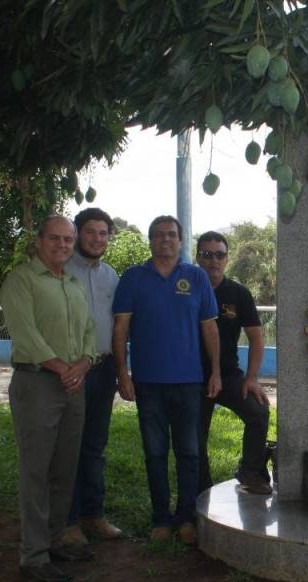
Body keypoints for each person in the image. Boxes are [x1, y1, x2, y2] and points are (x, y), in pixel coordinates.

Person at [112, 215, 221, 545]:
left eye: (172, 235)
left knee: (189, 453)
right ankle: (160, 519)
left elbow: (210, 328)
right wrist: (122, 373)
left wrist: (215, 372)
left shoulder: (196, 277)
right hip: (148, 383)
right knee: (155, 452)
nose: (166, 240)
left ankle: (186, 518)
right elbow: (120, 329)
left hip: (189, 382)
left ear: (181, 240)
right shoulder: (133, 278)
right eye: (159, 235)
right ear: (150, 241)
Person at [1, 215, 95, 582]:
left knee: (64, 468)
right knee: (36, 470)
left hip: (73, 385)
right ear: (39, 241)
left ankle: (55, 541)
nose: (62, 245)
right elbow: (25, 334)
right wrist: (61, 367)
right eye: (55, 238)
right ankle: (34, 555)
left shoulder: (72, 283)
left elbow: (89, 331)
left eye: (68, 240)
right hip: (38, 383)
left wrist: (83, 364)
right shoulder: (21, 280)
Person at [61, 208, 123, 548]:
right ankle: (68, 521)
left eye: (103, 233)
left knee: (95, 445)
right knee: (69, 444)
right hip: (70, 370)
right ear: (77, 233)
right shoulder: (60, 270)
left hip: (104, 369)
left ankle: (93, 515)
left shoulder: (111, 276)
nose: (97, 239)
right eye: (90, 232)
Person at [195, 231, 271, 495]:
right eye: (207, 254)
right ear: (198, 257)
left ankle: (249, 471)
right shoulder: (187, 290)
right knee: (196, 437)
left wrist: (251, 378)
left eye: (220, 255)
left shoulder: (238, 293)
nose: (213, 260)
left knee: (258, 411)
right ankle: (200, 492)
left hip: (228, 376)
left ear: (227, 259)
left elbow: (256, 337)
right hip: (191, 377)